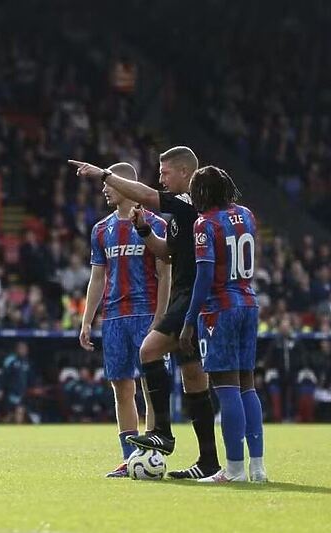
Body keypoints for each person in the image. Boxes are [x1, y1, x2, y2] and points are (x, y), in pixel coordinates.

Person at [69, 146, 221, 479]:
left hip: (180, 304)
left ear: (184, 172)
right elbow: (166, 253)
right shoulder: (112, 228)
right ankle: (204, 461)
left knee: (163, 360)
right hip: (123, 314)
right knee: (191, 379)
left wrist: (103, 173)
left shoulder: (183, 204)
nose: (162, 178)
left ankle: (162, 438)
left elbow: (151, 203)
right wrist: (143, 232)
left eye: (166, 172)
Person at [80, 162, 171, 478]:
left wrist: (162, 319)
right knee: (121, 389)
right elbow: (97, 277)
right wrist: (87, 319)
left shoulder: (155, 223)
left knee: (150, 388)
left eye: (109, 183)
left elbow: (164, 273)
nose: (104, 188)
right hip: (115, 318)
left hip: (146, 314)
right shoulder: (101, 229)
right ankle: (130, 457)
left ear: (124, 185)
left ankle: (153, 454)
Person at [179, 166, 266, 483]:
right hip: (248, 302)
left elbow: (204, 276)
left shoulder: (205, 224)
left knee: (226, 389)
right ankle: (257, 468)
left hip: (220, 309)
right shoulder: (246, 215)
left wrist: (189, 321)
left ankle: (233, 470)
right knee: (248, 387)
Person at [0, 341, 32, 423]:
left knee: (19, 412)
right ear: (17, 349)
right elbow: (3, 375)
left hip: (21, 393)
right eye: (22, 348)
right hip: (10, 392)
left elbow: (28, 377)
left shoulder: (26, 362)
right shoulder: (11, 360)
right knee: (8, 417)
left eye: (25, 349)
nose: (24, 351)